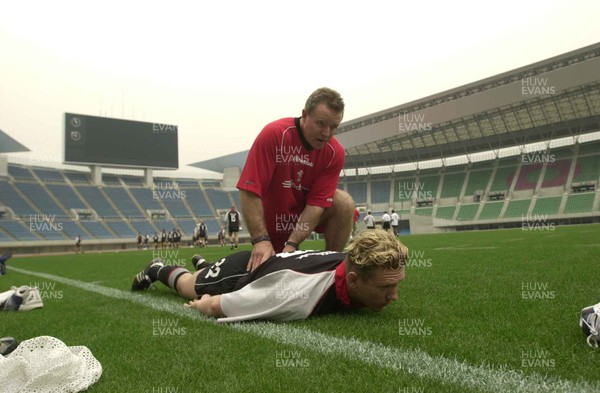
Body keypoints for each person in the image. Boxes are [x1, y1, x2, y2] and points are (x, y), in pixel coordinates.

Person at [131, 229, 407, 322]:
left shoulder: (352, 262)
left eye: (396, 285)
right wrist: (204, 304)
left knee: (205, 273)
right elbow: (219, 306)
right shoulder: (298, 295)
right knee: (190, 285)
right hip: (244, 272)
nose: (394, 297)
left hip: (276, 265)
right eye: (386, 288)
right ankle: (157, 268)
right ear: (354, 280)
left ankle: (206, 263)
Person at [237, 87, 355, 272]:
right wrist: (261, 239)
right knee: (255, 276)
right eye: (321, 123)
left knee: (344, 202)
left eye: (333, 127)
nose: (326, 133)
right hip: (268, 220)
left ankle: (331, 268)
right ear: (305, 115)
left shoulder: (335, 152)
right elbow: (249, 189)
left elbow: (317, 203)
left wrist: (292, 245)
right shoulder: (275, 134)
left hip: (301, 221)